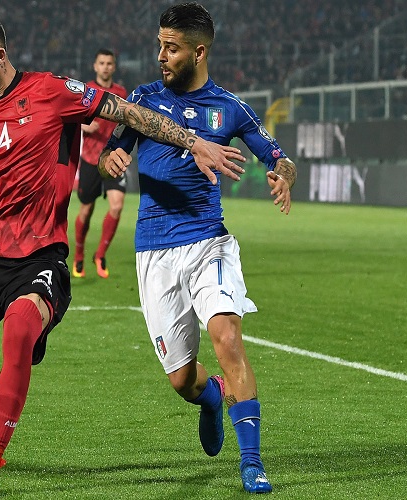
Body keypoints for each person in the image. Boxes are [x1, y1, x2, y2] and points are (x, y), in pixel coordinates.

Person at [0, 6, 245, 499]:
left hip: (39, 260)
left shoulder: (53, 92)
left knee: (21, 329)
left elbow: (128, 112)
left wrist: (192, 140)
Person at [99, 2, 296, 494]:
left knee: (227, 336)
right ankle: (211, 398)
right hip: (154, 251)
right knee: (182, 381)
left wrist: (283, 175)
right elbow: (108, 153)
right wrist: (112, 159)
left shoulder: (230, 107)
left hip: (210, 242)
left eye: (171, 48)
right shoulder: (143, 99)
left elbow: (278, 156)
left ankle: (252, 462)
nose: (161, 56)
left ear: (199, 51)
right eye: (159, 46)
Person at [72, 49, 128, 279]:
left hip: (113, 158)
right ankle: (78, 255)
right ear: (95, 66)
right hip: (90, 159)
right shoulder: (85, 91)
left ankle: (100, 254)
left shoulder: (121, 93)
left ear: (114, 67)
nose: (105, 67)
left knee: (117, 206)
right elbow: (70, 118)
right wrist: (84, 125)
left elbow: (127, 121)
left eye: (109, 63)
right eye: (102, 63)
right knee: (86, 210)